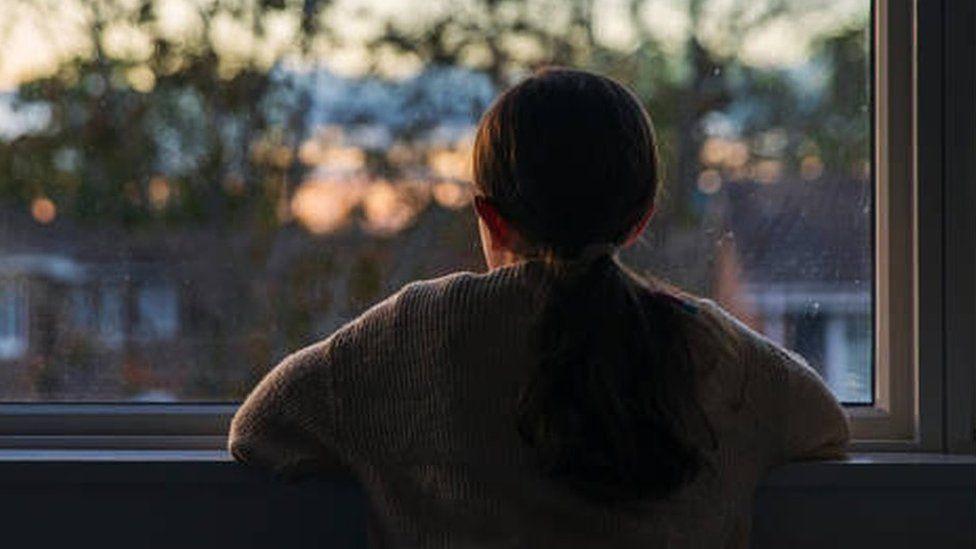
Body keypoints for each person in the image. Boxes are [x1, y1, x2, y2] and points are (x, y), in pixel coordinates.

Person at [229, 67, 849, 547]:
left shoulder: (418, 332)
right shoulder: (711, 348)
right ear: (639, 221)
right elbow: (824, 425)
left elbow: (259, 428)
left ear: (489, 216)